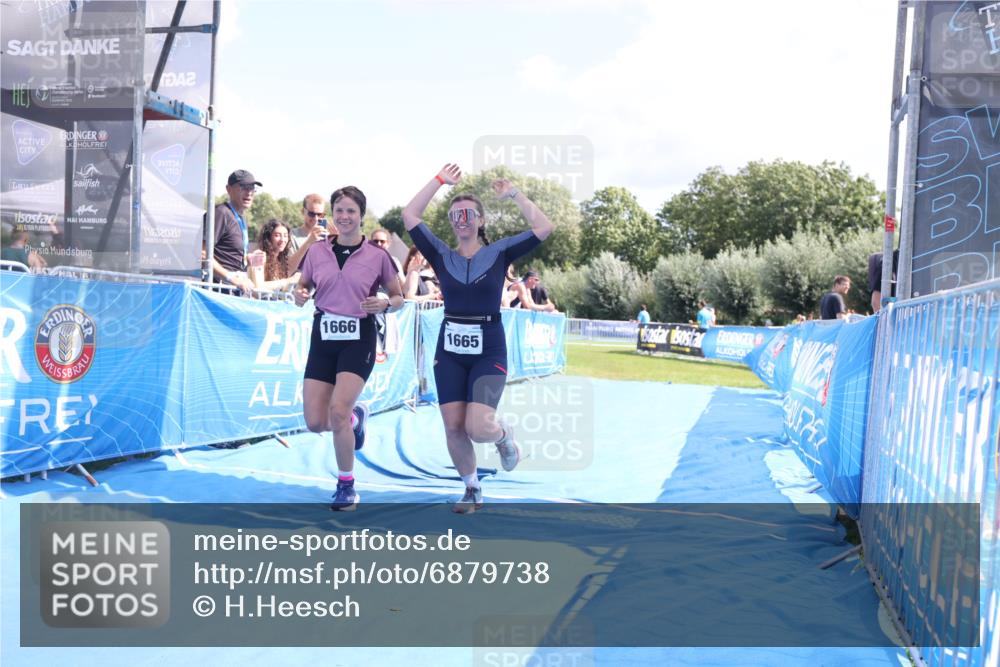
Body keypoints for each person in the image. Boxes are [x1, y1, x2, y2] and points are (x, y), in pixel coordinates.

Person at [402, 164, 553, 513]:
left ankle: (503, 436)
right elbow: (410, 214)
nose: (462, 219)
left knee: (478, 426)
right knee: (454, 427)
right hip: (450, 349)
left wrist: (514, 192)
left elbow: (544, 227)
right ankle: (471, 488)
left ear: (481, 220)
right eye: (456, 215)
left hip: (489, 347)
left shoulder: (499, 252)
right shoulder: (442, 255)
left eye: (469, 214)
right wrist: (439, 181)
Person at [294, 186, 404, 511]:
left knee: (336, 412)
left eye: (351, 211)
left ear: (361, 216)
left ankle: (346, 485)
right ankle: (356, 420)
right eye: (339, 210)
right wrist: (300, 293)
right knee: (315, 421)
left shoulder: (377, 255)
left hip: (359, 337)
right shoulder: (317, 252)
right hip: (323, 336)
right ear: (333, 214)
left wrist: (384, 304)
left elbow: (398, 297)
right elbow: (304, 284)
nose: (344, 217)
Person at [212, 169, 259, 293]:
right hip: (218, 290)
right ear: (228, 189)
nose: (249, 193)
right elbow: (202, 254)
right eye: (243, 187)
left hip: (234, 290)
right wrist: (230, 277)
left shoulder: (241, 218)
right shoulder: (221, 213)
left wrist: (248, 259)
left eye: (252, 188)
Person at [251, 219, 299, 291]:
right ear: (268, 237)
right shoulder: (258, 255)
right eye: (277, 235)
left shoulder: (281, 260)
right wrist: (289, 281)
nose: (283, 240)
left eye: (285, 236)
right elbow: (258, 286)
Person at [287, 193, 329, 274]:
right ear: (303, 211)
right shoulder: (291, 236)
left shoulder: (328, 237)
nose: (316, 218)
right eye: (312, 214)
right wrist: (309, 241)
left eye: (320, 214)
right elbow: (288, 270)